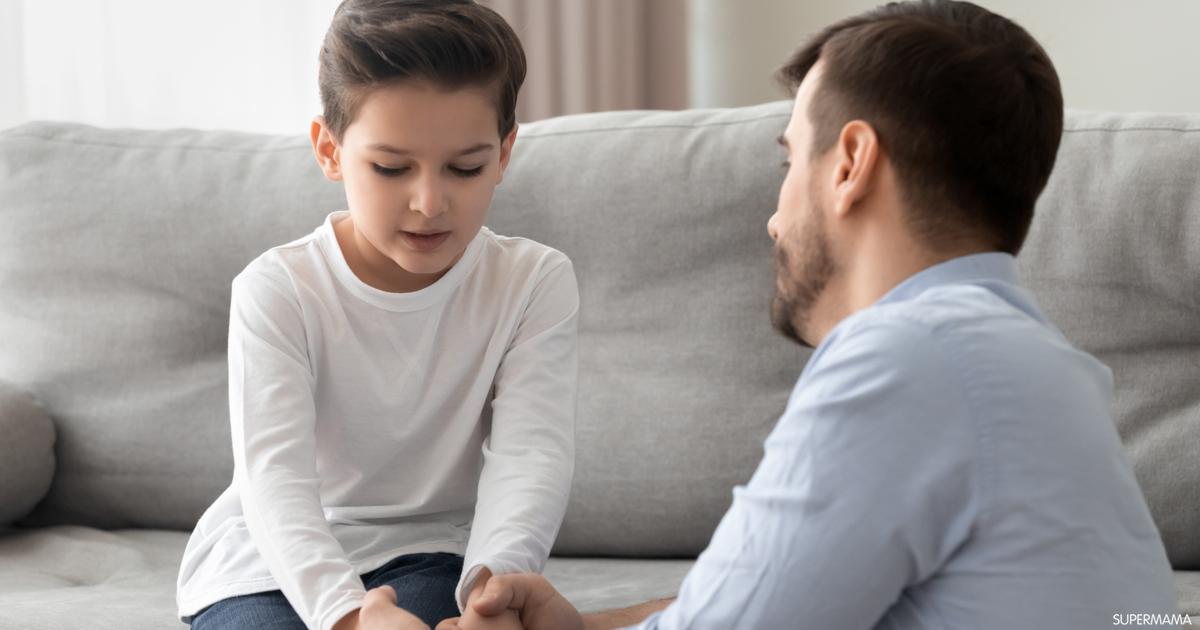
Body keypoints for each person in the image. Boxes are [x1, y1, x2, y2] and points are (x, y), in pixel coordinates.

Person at [443, 1, 1181, 628]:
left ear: (851, 163)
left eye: (790, 160)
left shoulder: (907, 357)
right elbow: (776, 602)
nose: (773, 220)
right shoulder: (1044, 365)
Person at [175, 2, 578, 629]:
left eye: (465, 168)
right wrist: (346, 617)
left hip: (429, 554)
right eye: (391, 168)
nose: (429, 202)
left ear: (504, 154)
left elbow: (531, 458)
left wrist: (494, 593)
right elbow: (274, 480)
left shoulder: (533, 282)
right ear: (329, 150)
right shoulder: (277, 290)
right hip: (268, 564)